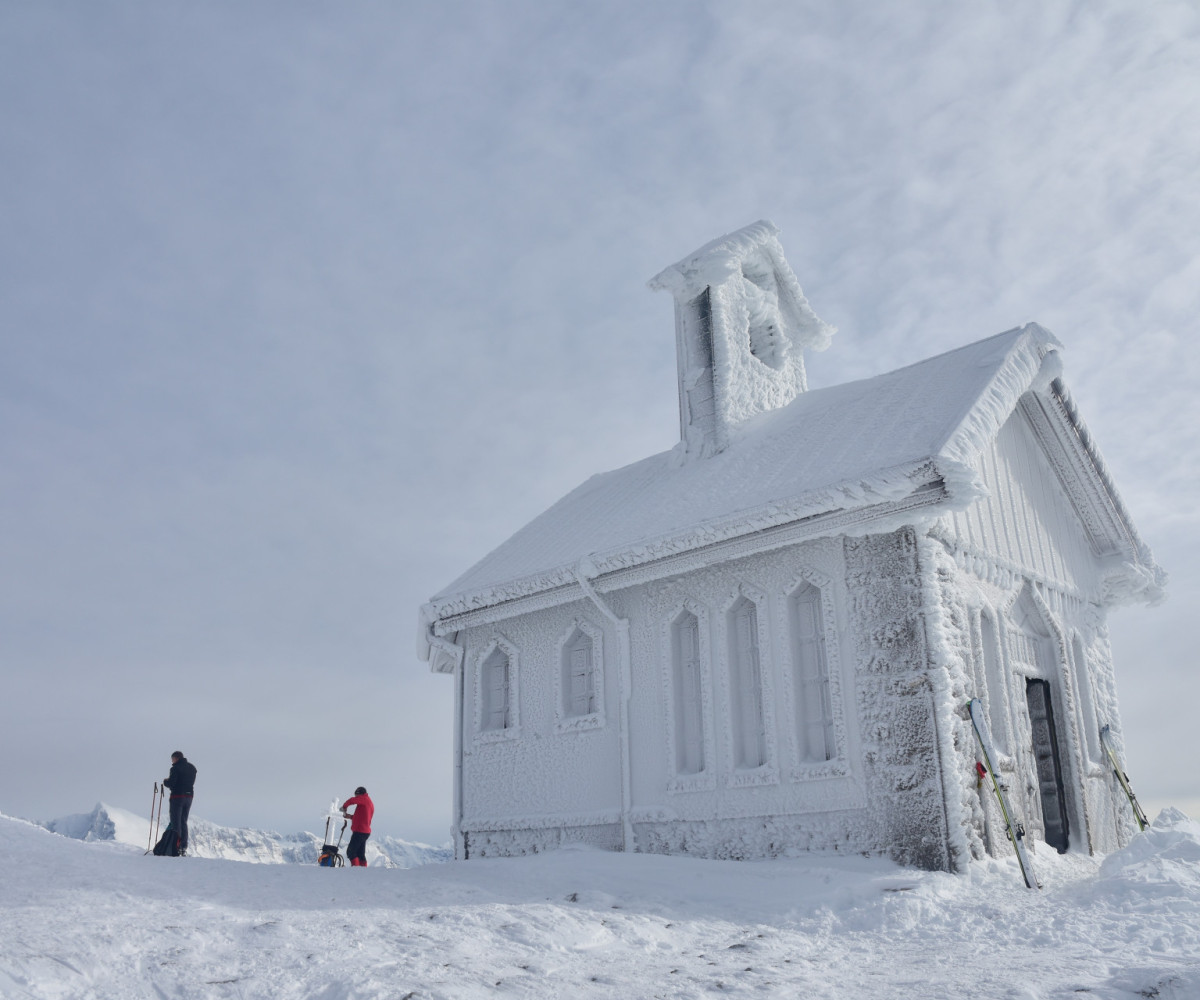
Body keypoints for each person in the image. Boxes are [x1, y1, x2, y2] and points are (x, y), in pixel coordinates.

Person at [162, 751, 197, 857]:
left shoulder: (175, 768)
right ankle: (183, 847)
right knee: (183, 821)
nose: (172, 761)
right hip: (189, 796)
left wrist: (166, 781)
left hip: (177, 796)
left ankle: (175, 847)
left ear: (176, 758)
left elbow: (172, 783)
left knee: (175, 821)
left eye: (172, 759)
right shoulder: (192, 768)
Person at [340, 786, 374, 867]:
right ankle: (362, 871)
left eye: (356, 796)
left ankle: (356, 871)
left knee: (351, 852)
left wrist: (344, 807)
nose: (356, 797)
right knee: (360, 854)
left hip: (360, 831)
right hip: (365, 832)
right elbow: (363, 817)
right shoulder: (368, 802)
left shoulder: (364, 798)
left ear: (359, 794)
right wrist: (350, 817)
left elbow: (352, 800)